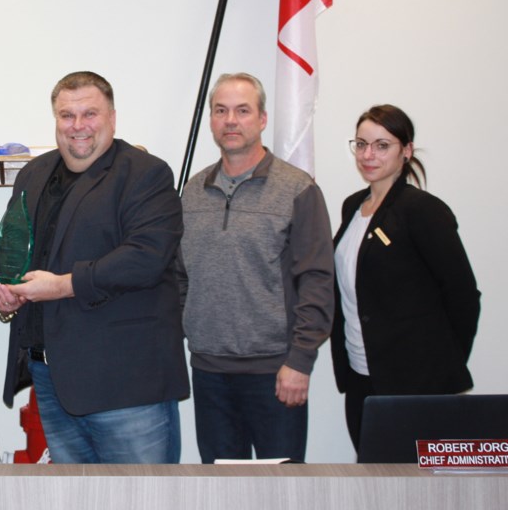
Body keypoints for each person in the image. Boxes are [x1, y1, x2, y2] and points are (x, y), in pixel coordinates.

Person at [0, 71, 190, 464]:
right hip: (52, 379)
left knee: (145, 499)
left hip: (126, 383)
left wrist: (63, 285)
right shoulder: (34, 174)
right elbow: (15, 252)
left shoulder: (146, 173)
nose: (78, 126)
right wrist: (3, 293)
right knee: (77, 500)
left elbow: (146, 257)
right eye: (67, 115)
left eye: (90, 114)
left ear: (113, 118)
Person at [180, 72, 334, 464]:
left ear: (262, 119)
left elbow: (316, 280)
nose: (231, 120)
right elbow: (180, 277)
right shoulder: (192, 193)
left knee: (281, 493)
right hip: (210, 372)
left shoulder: (298, 189)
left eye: (242, 110)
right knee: (221, 492)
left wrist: (300, 361)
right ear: (212, 120)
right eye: (221, 110)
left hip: (277, 373)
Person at [331, 104, 481, 452]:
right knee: (374, 484)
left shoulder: (422, 210)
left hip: (415, 385)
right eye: (362, 144)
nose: (369, 155)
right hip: (361, 377)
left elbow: (463, 295)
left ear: (406, 150)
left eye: (382, 145)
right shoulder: (353, 206)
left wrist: (439, 369)